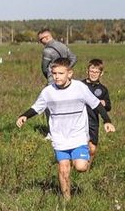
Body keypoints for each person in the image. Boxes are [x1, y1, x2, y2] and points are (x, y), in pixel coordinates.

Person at [16, 58, 114, 201]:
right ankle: (67, 201)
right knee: (63, 169)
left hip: (78, 135)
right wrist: (24, 116)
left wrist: (107, 120)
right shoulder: (48, 91)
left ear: (70, 73)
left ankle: (79, 158)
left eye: (61, 73)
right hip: (59, 137)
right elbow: (36, 108)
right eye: (54, 73)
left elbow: (96, 104)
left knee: (81, 167)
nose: (57, 76)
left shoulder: (80, 88)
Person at [84, 59, 111, 161]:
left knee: (92, 149)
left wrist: (104, 104)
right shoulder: (80, 85)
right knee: (80, 146)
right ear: (87, 71)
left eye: (96, 72)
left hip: (93, 122)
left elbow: (108, 107)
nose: (93, 74)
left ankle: (86, 171)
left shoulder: (103, 89)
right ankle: (76, 168)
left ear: (101, 73)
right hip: (79, 121)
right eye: (92, 71)